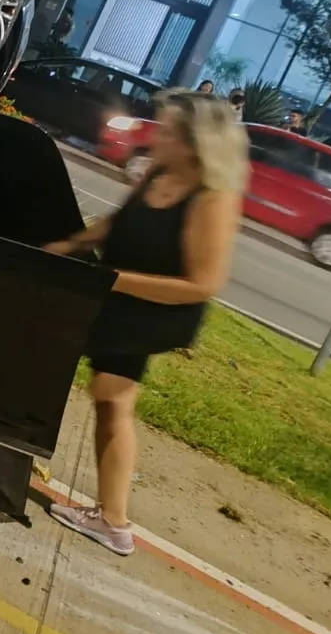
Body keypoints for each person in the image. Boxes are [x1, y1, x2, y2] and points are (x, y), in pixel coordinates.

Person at [42, 92, 246, 556]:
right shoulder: (159, 172)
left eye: (170, 131)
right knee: (111, 400)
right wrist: (69, 244)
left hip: (153, 309)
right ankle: (112, 519)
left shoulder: (211, 197)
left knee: (112, 399)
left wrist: (113, 280)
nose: (158, 135)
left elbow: (202, 284)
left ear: (197, 143)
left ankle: (113, 521)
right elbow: (115, 225)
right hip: (118, 292)